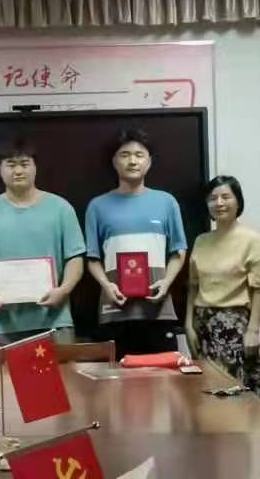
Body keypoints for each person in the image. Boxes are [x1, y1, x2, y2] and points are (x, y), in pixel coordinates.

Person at [0, 136, 86, 346]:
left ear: (35, 167)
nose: (18, 171)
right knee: (3, 371)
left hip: (55, 321)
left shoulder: (61, 208)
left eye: (24, 164)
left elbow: (75, 257)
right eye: (10, 164)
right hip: (4, 324)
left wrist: (64, 290)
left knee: (62, 370)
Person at [85, 128, 188, 357]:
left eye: (139, 155)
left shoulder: (166, 202)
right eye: (125, 155)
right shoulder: (97, 206)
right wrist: (107, 285)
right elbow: (92, 257)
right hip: (115, 309)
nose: (132, 161)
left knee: (162, 375)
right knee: (117, 377)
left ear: (149, 162)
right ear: (114, 162)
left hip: (158, 309)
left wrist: (166, 282)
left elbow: (178, 251)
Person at [185, 176, 260, 393]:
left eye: (225, 197)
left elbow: (259, 289)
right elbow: (193, 286)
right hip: (203, 325)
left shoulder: (251, 240)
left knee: (237, 392)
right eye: (213, 198)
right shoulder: (201, 241)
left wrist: (253, 330)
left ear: (238, 201)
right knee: (206, 392)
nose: (219, 203)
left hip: (235, 327)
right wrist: (188, 325)